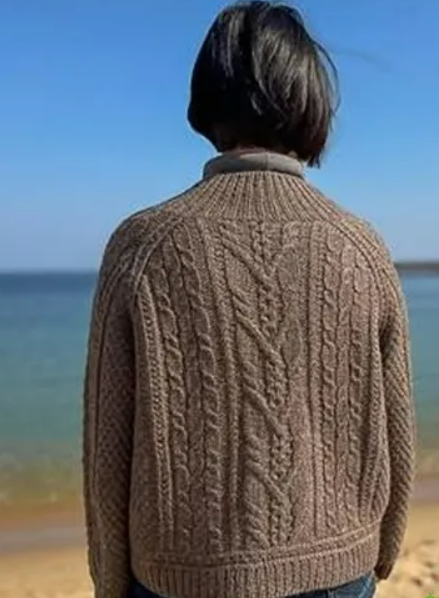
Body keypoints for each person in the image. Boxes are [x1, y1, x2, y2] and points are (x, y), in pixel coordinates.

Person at [83, 2, 416, 598]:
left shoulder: (143, 244)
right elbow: (393, 423)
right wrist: (384, 547)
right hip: (341, 569)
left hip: (183, 578)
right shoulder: (361, 246)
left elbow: (108, 444)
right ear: (311, 101)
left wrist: (111, 580)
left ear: (206, 98)